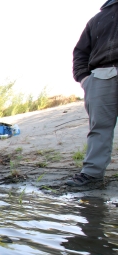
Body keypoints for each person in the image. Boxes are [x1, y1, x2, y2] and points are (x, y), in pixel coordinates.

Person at [66, 0, 118, 187]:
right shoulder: (97, 19)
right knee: (99, 127)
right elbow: (80, 52)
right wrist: (84, 79)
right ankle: (92, 174)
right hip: (101, 75)